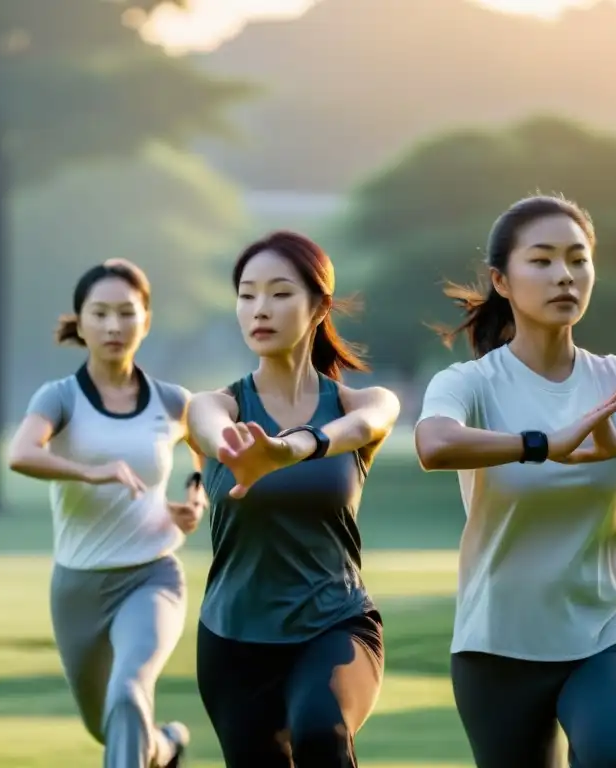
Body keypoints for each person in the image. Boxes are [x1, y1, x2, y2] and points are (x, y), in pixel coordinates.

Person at [413, 194, 616, 768]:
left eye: (578, 259)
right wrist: (541, 445)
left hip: (609, 627)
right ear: (502, 281)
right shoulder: (470, 383)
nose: (564, 275)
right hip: (498, 639)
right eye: (541, 261)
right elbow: (434, 444)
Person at [186, 230, 401, 768]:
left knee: (320, 735)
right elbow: (210, 429)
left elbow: (369, 422)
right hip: (234, 640)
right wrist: (234, 445)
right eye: (247, 294)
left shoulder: (359, 402)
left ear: (319, 306)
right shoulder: (218, 406)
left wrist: (292, 447)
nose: (260, 308)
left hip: (336, 624)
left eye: (280, 293)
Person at [6, 259, 204, 768]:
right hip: (77, 588)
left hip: (152, 577)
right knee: (109, 725)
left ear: (146, 319)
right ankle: (166, 748)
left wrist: (195, 495)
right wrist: (93, 472)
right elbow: (21, 453)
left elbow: (207, 452)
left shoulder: (172, 401)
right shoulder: (61, 398)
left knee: (127, 692)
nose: (114, 326)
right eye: (100, 314)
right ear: (80, 320)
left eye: (126, 313)